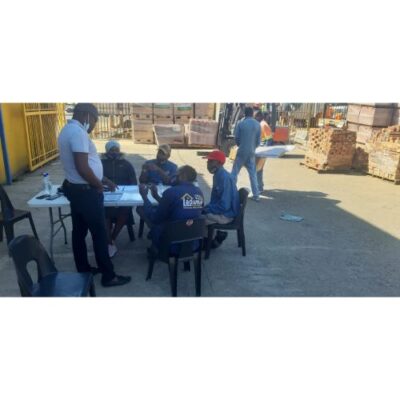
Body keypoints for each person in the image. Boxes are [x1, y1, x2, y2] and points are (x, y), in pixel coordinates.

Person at [58, 103, 131, 288]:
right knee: (100, 234)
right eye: (95, 120)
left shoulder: (67, 130)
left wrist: (104, 179)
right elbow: (82, 167)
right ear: (87, 115)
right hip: (86, 192)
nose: (95, 125)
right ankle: (108, 276)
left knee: (79, 232)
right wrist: (98, 185)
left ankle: (83, 270)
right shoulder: (78, 133)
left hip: (75, 190)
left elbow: (86, 165)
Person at [138, 165, 204, 253]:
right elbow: (177, 206)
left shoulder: (171, 192)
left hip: (171, 243)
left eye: (177, 175)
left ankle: (156, 247)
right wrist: (156, 196)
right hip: (193, 243)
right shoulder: (199, 192)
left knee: (142, 210)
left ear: (183, 176)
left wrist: (144, 197)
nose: (174, 177)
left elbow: (155, 218)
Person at [101, 140, 137, 258]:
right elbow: (95, 178)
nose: (114, 152)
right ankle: (109, 241)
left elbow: (133, 182)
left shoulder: (126, 164)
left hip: (123, 195)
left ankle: (111, 239)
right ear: (107, 151)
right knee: (105, 212)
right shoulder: (100, 163)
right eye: (111, 150)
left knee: (125, 211)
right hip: (106, 194)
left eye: (116, 149)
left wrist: (128, 193)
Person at [204, 150, 240, 248]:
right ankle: (212, 237)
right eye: (208, 161)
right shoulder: (218, 175)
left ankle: (210, 242)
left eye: (211, 161)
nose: (208, 164)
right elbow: (216, 200)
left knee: (198, 218)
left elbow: (224, 206)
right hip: (222, 210)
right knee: (200, 211)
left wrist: (208, 209)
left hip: (227, 214)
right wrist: (207, 207)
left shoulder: (224, 178)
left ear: (219, 163)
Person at [137, 144, 178, 227]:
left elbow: (170, 182)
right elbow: (142, 181)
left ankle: (154, 227)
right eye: (159, 152)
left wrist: (158, 170)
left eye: (163, 154)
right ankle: (153, 226)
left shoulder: (173, 166)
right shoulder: (149, 163)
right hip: (150, 191)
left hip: (165, 193)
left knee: (166, 207)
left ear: (168, 156)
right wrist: (144, 170)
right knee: (139, 208)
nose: (159, 155)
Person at [231, 106, 261, 201]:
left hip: (241, 152)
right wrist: (252, 147)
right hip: (251, 152)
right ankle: (256, 195)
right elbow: (258, 142)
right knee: (253, 174)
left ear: (244, 114)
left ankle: (231, 192)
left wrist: (241, 145)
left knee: (234, 172)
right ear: (252, 114)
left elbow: (237, 139)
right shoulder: (257, 125)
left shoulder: (241, 124)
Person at [254, 111, 273, 193]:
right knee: (258, 169)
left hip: (262, 151)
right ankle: (259, 186)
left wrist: (264, 152)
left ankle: (259, 188)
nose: (254, 119)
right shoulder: (261, 124)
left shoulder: (263, 125)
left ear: (258, 117)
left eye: (255, 117)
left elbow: (269, 139)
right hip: (260, 150)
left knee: (258, 169)